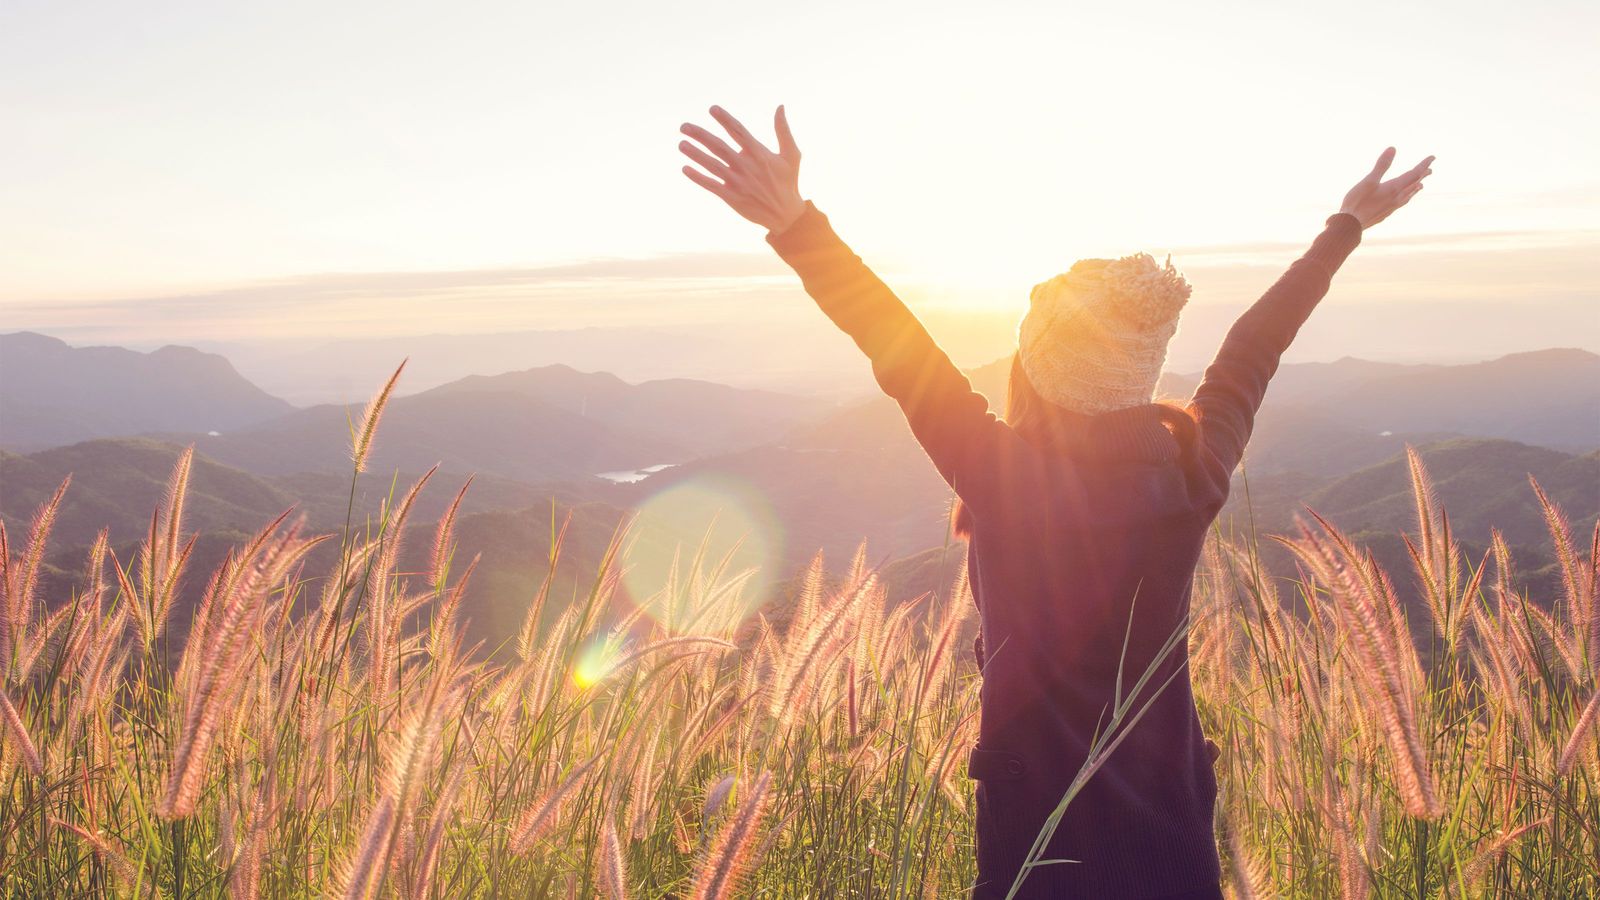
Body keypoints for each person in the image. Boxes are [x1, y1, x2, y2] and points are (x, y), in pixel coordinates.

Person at [678, 104, 1432, 899]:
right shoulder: (1194, 471)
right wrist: (1346, 224)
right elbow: (1255, 347)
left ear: (1032, 368)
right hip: (1174, 853)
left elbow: (894, 343)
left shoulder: (1004, 477)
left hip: (1037, 855)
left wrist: (797, 224)